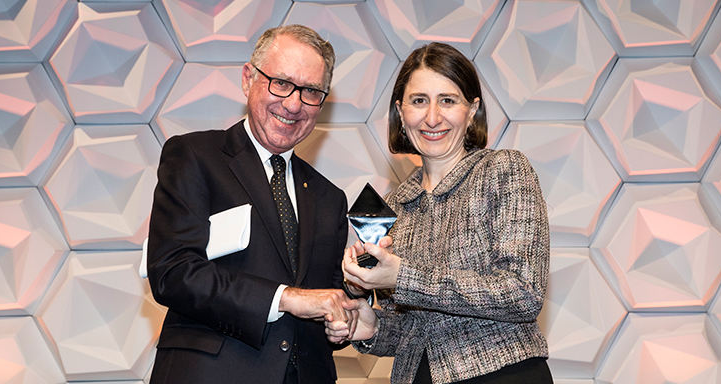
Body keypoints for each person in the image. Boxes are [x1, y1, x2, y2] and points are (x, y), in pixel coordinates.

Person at [325, 42, 553, 384]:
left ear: (472, 109)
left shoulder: (504, 169)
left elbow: (522, 293)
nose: (432, 117)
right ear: (401, 113)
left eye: (447, 100)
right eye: (419, 101)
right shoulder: (393, 205)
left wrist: (402, 277)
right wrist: (370, 325)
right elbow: (415, 333)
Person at [147, 24, 356, 384]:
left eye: (310, 92)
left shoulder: (330, 199)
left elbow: (324, 307)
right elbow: (172, 272)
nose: (293, 103)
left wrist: (348, 310)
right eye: (282, 83)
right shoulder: (195, 156)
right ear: (248, 79)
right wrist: (285, 298)